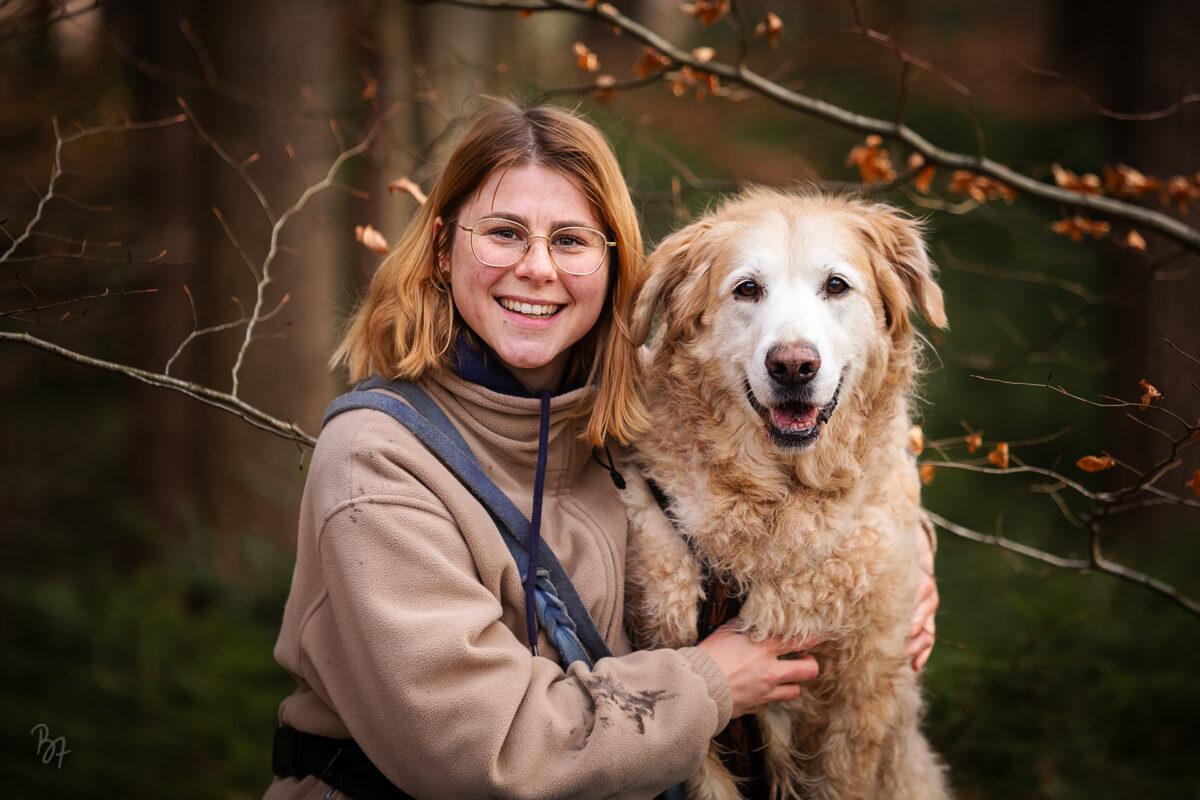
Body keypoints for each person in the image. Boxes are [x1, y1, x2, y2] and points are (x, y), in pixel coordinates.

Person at [263, 98, 938, 800]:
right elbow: (472, 754)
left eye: (570, 241)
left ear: (617, 269)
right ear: (442, 248)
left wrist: (906, 562)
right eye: (503, 233)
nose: (535, 269)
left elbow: (823, 483)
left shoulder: (638, 419)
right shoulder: (375, 462)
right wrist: (707, 684)